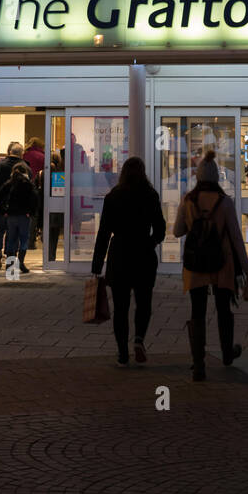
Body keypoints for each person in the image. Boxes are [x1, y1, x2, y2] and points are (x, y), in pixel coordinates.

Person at [173, 152, 248, 382]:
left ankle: (199, 364)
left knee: (197, 311)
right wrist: (247, 269)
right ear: (216, 176)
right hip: (223, 263)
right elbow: (237, 237)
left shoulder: (188, 200)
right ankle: (227, 353)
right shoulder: (225, 201)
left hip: (195, 264)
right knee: (223, 309)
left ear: (198, 176)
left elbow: (177, 231)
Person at [91, 156, 166, 367]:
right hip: (143, 254)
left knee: (121, 307)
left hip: (120, 255)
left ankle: (122, 352)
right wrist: (151, 242)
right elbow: (160, 228)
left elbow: (104, 232)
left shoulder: (114, 196)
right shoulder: (150, 195)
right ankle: (139, 339)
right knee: (144, 302)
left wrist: (97, 265)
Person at [0, 142, 24, 270]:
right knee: (12, 231)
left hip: (1, 203)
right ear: (21, 153)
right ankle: (9, 255)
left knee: (0, 229)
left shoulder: (0, 165)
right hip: (17, 204)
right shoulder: (23, 166)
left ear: (9, 152)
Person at [3, 160, 39, 274]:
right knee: (24, 239)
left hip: (11, 216)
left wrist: (5, 210)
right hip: (24, 215)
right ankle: (21, 263)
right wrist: (31, 212)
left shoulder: (9, 183)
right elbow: (34, 198)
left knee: (11, 239)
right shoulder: (27, 183)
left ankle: (10, 265)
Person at [22, 138, 46, 247]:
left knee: (27, 214)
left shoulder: (24, 155)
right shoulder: (43, 157)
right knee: (36, 214)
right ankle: (34, 240)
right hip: (38, 188)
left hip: (25, 187)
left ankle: (27, 240)